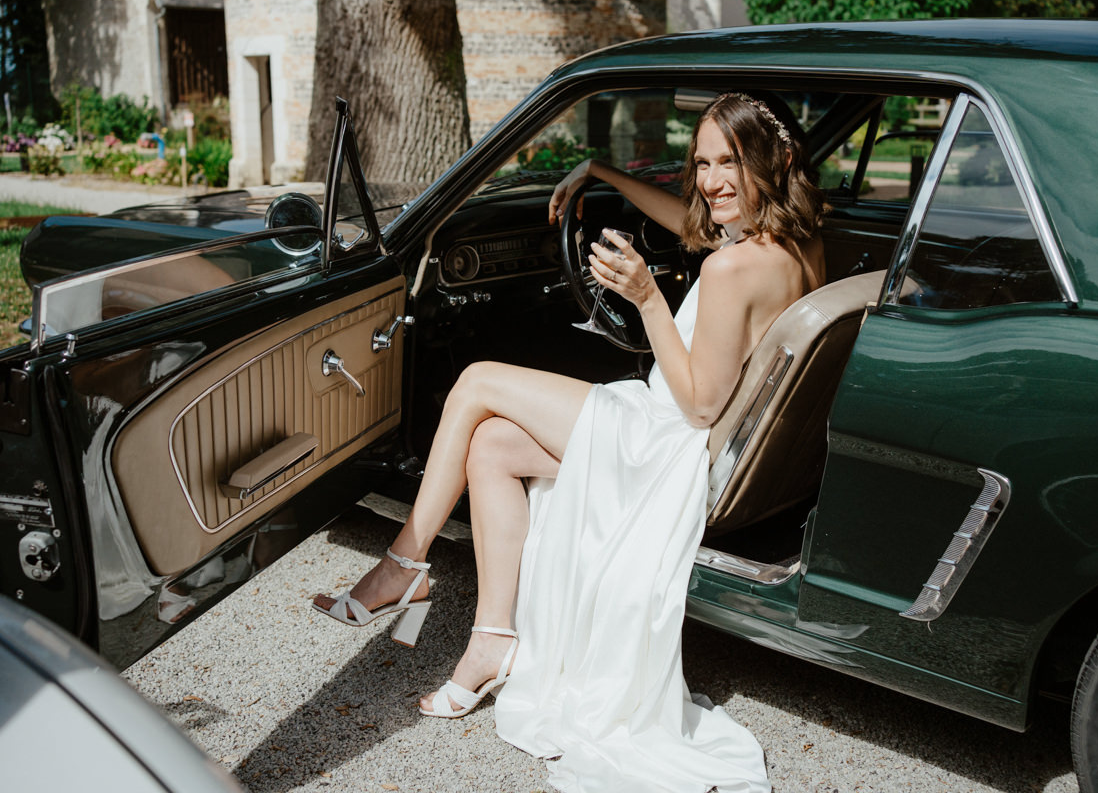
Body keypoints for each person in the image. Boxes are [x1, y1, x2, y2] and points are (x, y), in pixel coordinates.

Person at [313, 90, 827, 792]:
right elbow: (695, 225)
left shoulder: (731, 268)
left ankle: (404, 563)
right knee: (492, 446)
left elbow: (700, 403)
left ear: (774, 158)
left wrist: (647, 298)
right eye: (703, 162)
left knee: (475, 380)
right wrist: (602, 172)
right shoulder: (795, 242)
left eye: (729, 162)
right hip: (676, 440)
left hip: (663, 443)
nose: (711, 181)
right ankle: (492, 642)